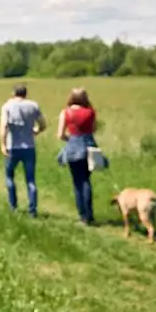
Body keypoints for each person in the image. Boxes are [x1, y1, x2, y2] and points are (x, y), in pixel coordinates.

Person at [0, 83, 46, 217]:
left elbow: (3, 127)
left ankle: (13, 206)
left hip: (12, 146)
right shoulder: (33, 105)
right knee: (31, 180)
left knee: (9, 176)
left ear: (14, 93)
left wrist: (2, 144)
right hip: (29, 147)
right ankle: (33, 209)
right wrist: (36, 131)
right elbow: (43, 124)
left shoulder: (7, 106)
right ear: (25, 93)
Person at [56, 87, 99, 225]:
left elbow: (60, 134)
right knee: (86, 181)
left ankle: (83, 216)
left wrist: (70, 138)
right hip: (88, 146)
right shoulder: (91, 112)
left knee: (77, 182)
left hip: (73, 147)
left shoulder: (66, 112)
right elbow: (93, 129)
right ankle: (90, 214)